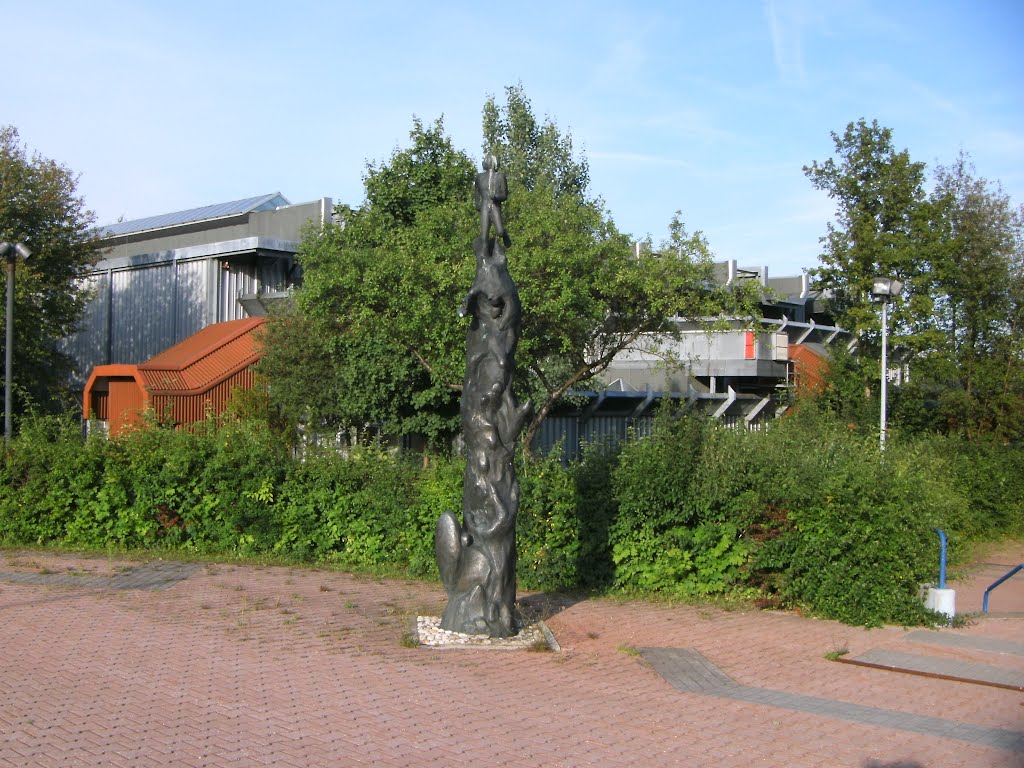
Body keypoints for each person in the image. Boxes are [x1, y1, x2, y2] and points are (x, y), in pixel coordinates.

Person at [473, 154, 511, 246]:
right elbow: (476, 192)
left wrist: (496, 196)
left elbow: (504, 195)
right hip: (484, 206)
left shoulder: (500, 176)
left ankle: (505, 235)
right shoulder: (480, 177)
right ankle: (484, 256)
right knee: (484, 235)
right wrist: (477, 203)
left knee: (500, 231)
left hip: (495, 206)